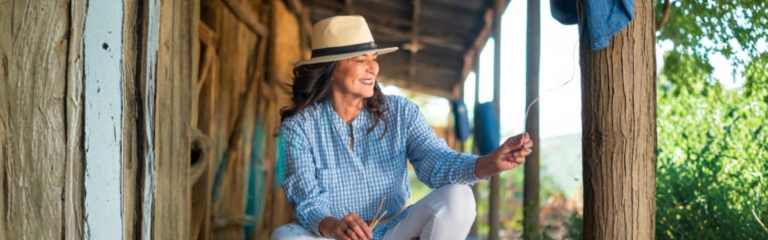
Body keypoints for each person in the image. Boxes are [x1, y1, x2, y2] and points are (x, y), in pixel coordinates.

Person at [270, 15, 533, 240]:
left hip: (395, 230)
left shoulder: (400, 112)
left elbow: (437, 162)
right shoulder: (299, 128)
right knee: (284, 236)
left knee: (458, 197)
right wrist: (335, 227)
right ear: (330, 69)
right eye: (360, 59)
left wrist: (490, 162)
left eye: (373, 58)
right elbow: (306, 200)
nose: (373, 67)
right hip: (332, 234)